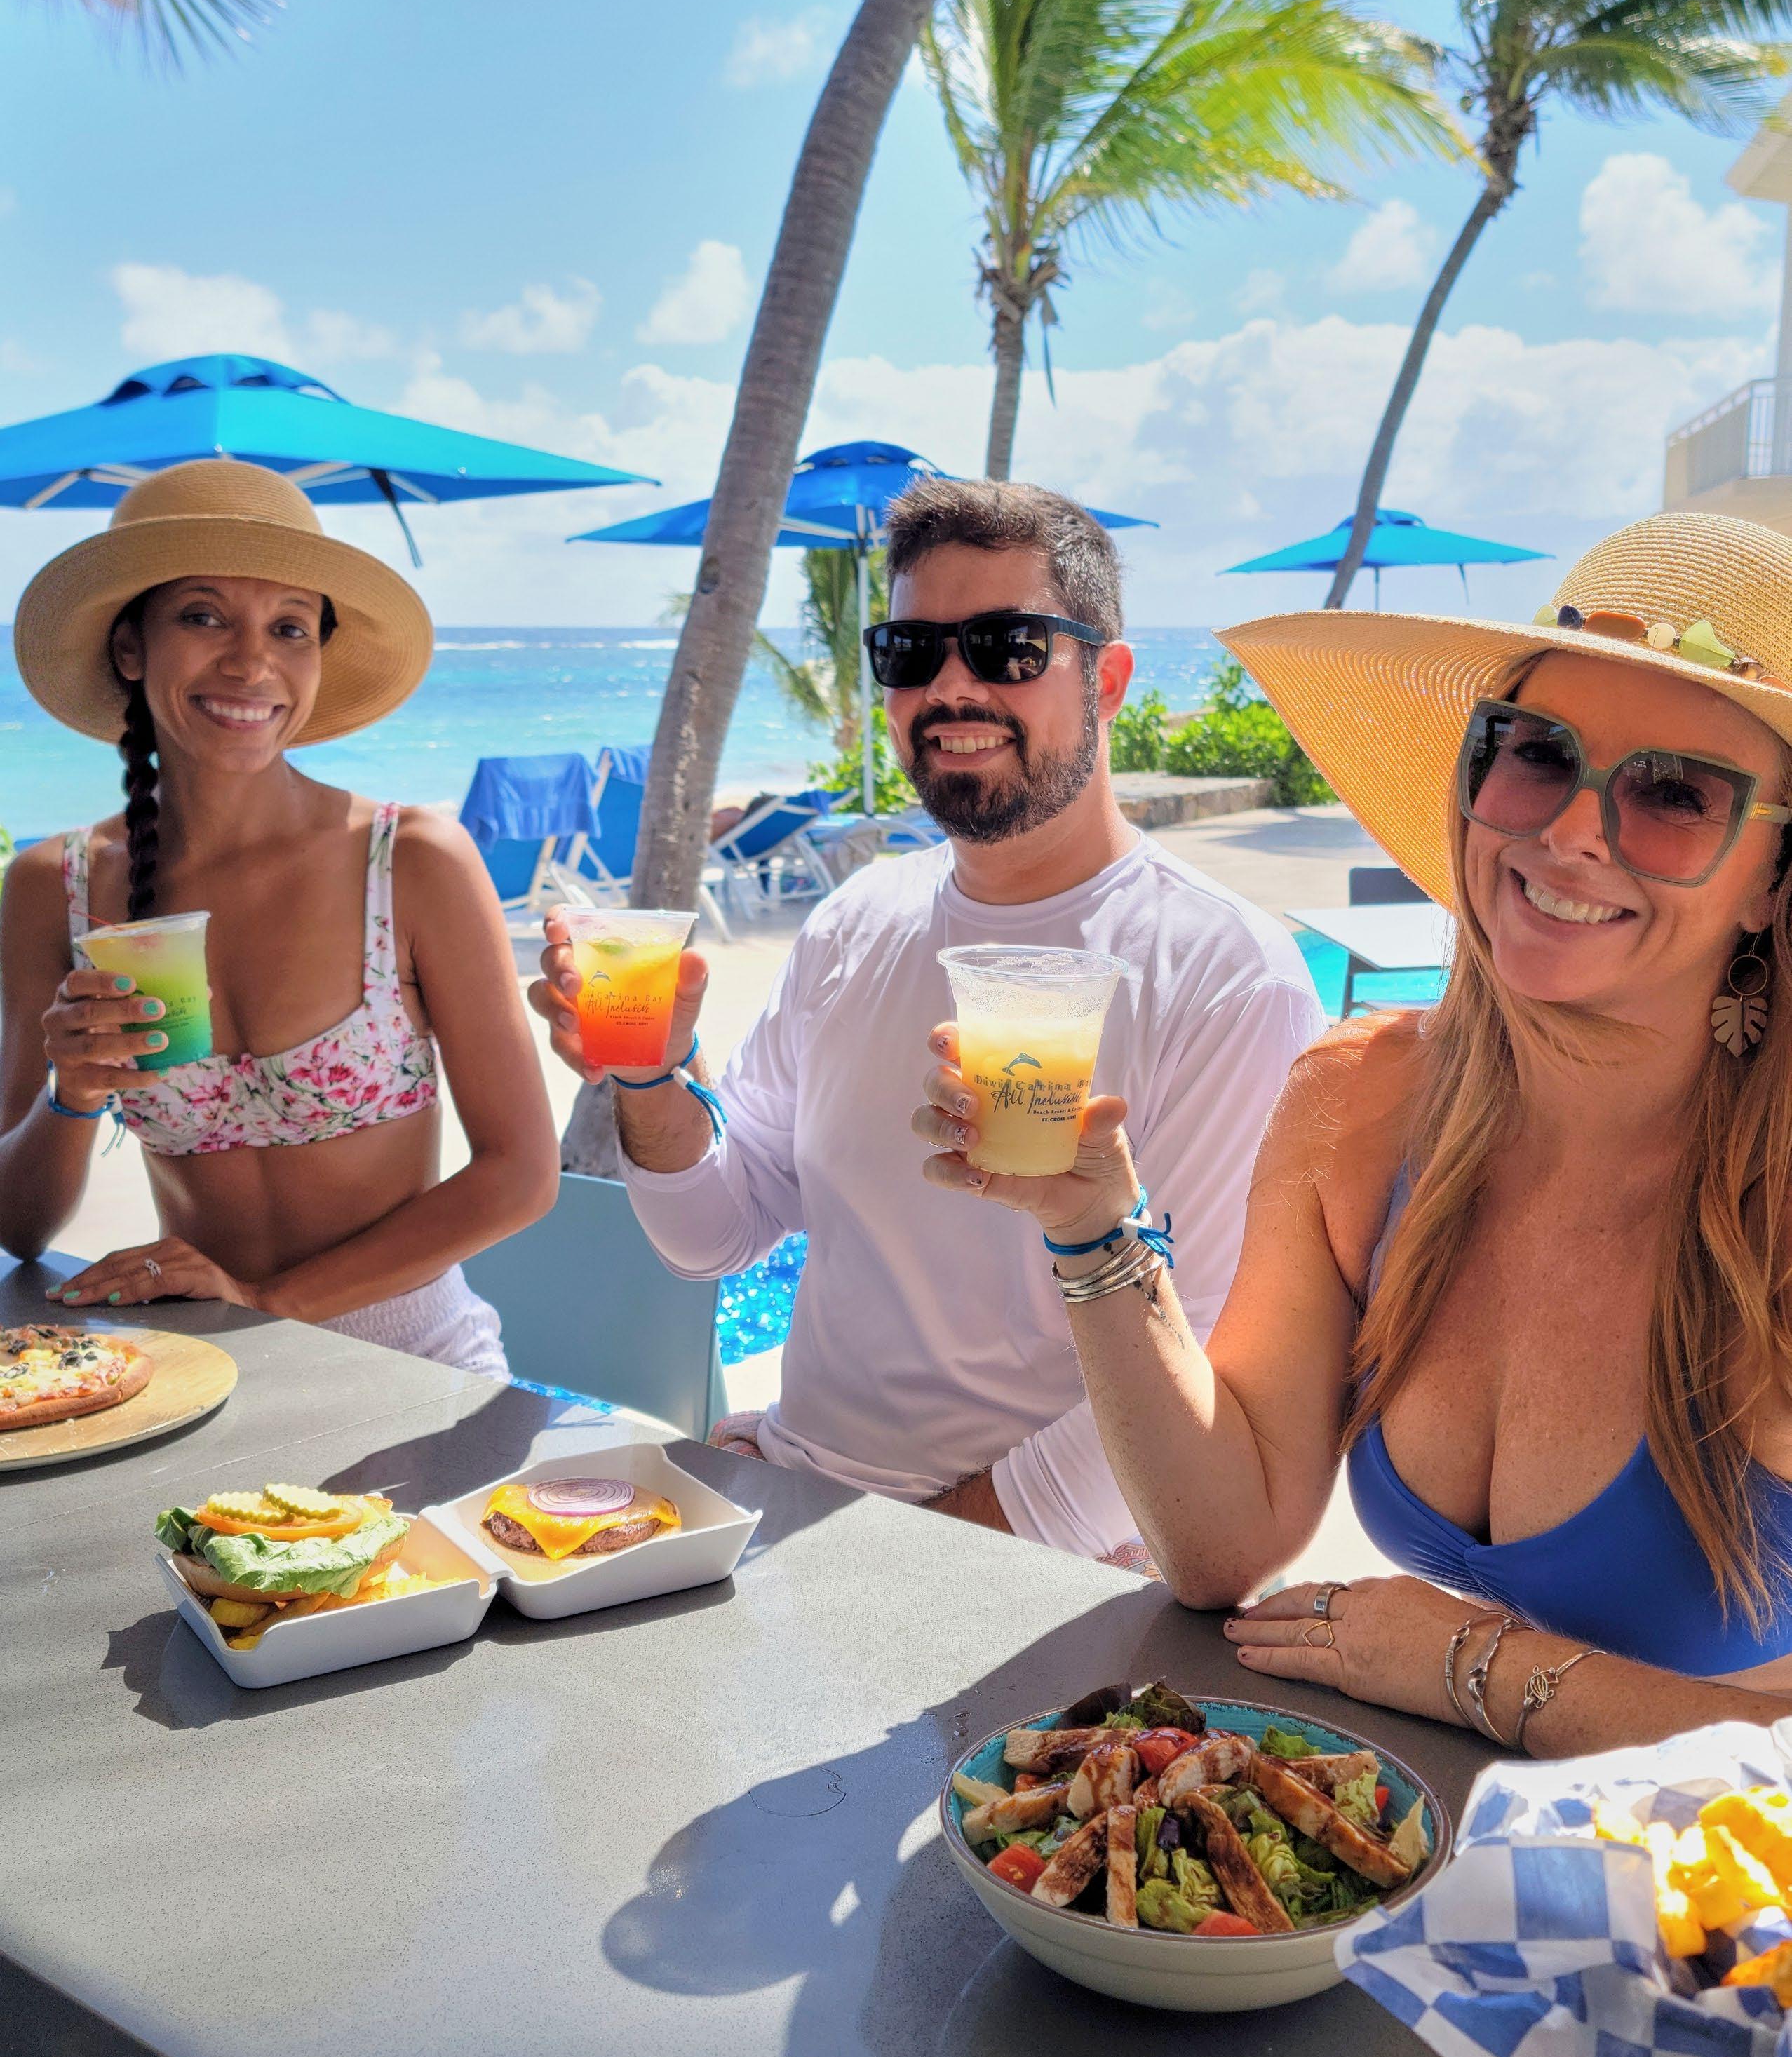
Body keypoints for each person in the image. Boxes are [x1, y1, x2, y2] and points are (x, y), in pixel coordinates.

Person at [915, 509, 1792, 1746]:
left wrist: (1470, 1665)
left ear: (1772, 878)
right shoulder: (1361, 1105)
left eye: (1676, 792)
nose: (1569, 831)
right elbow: (1223, 1543)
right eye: (1535, 752)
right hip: (1443, 1847)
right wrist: (1096, 1227)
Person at [532, 478, 1323, 1560]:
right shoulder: (857, 920)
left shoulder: (1229, 979)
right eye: (910, 652)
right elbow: (714, 1230)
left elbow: (1200, 1391)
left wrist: (887, 1553)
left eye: (1007, 647)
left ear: (1109, 679)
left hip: (1041, 1581)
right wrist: (651, 1075)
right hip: (799, 1516)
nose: (952, 687)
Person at [0, 459, 558, 1375]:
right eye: (203, 616)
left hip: (418, 1359)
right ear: (131, 648)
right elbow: (18, 1228)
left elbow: (522, 1174)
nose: (251, 661)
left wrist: (266, 1304)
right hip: (197, 1371)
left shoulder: (410, 862)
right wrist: (74, 1092)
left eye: (289, 628)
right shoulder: (53, 886)